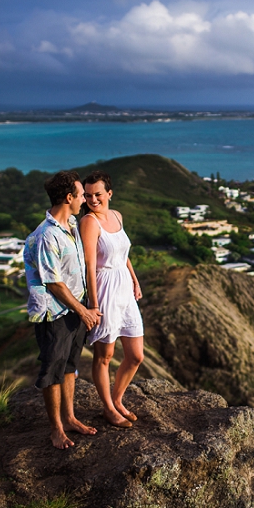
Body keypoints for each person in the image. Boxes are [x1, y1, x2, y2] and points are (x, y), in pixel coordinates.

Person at [23, 170, 100, 449]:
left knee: (69, 367)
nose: (84, 200)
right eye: (81, 195)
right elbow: (53, 282)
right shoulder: (46, 236)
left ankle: (69, 418)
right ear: (69, 197)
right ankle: (56, 429)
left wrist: (86, 306)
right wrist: (83, 310)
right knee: (53, 369)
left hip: (74, 309)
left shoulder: (72, 226)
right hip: (54, 313)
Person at [80, 170, 144, 428]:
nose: (92, 199)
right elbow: (89, 265)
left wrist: (135, 279)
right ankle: (108, 408)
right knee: (104, 355)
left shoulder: (117, 216)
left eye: (97, 194)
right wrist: (93, 304)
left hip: (124, 287)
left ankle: (117, 399)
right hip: (104, 287)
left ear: (109, 193)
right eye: (87, 195)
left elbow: (122, 252)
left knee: (136, 355)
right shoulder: (89, 222)